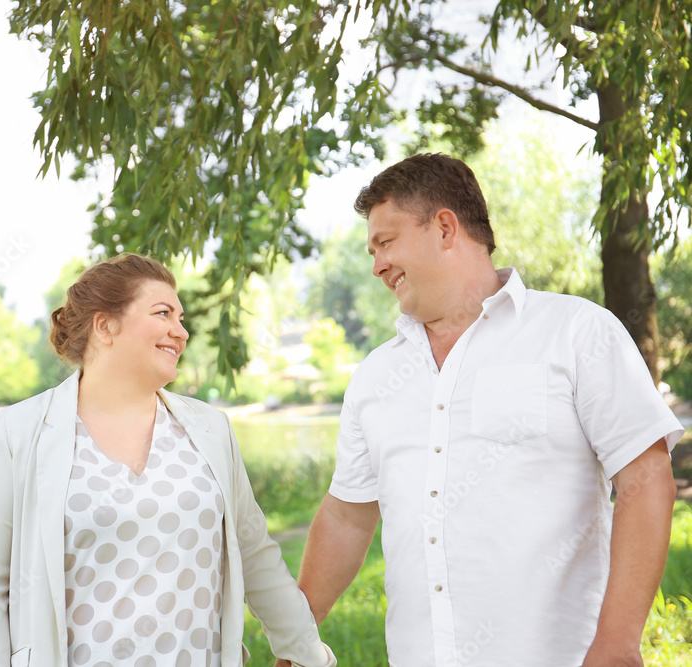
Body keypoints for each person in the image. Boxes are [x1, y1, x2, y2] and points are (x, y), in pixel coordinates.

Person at [287, 153, 684, 667]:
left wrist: (617, 645)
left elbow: (645, 479)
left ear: (445, 228)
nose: (377, 264)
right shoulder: (375, 376)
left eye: (386, 242)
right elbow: (346, 517)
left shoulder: (576, 331)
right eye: (373, 250)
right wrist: (296, 639)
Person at [0, 254, 336, 667]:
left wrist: (307, 654)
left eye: (181, 318)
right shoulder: (15, 434)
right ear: (105, 326)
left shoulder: (211, 429)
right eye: (163, 313)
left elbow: (255, 553)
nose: (182, 332)